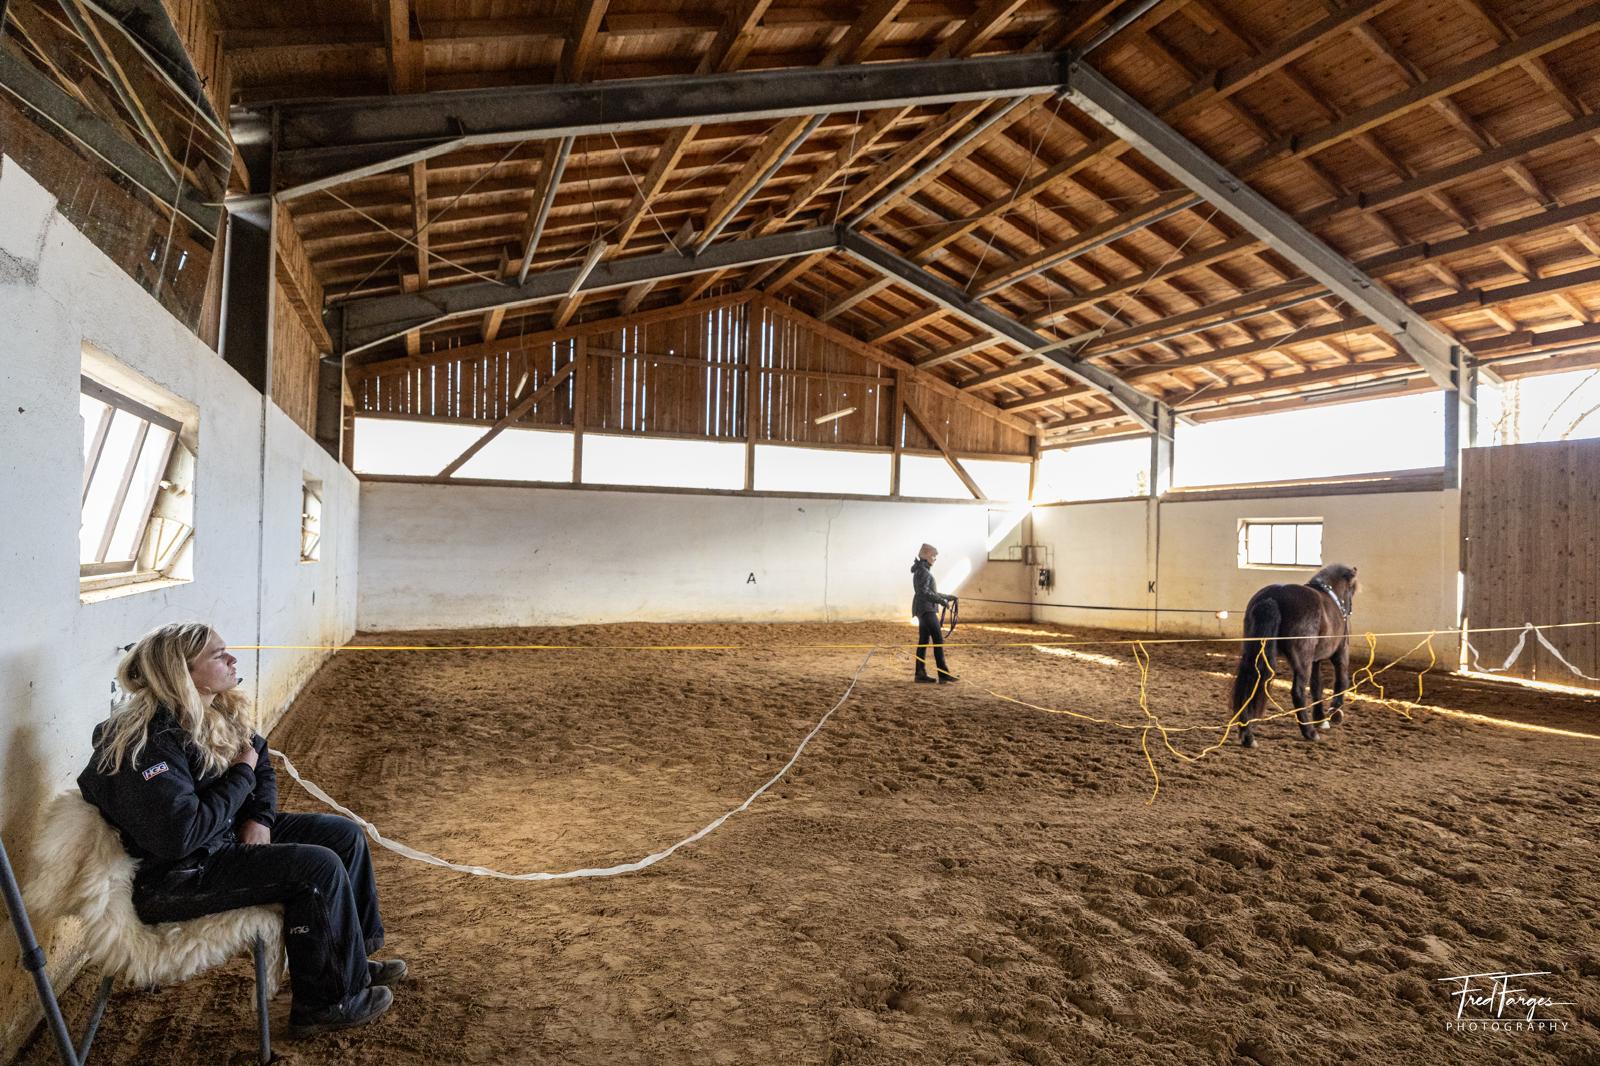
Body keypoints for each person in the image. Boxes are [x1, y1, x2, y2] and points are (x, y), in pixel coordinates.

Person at [77, 622, 403, 1039]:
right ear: (183, 672)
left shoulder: (214, 709)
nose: (232, 659)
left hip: (220, 838)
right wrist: (241, 775)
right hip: (175, 876)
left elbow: (258, 758)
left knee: (342, 836)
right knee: (316, 868)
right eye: (218, 654)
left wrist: (260, 820)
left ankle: (350, 962)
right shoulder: (146, 741)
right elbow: (182, 835)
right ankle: (327, 1002)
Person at [910, 543, 959, 684]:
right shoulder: (924, 572)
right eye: (933, 556)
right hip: (927, 610)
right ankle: (943, 674)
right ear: (926, 556)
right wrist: (941, 601)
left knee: (923, 641)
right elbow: (924, 593)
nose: (935, 559)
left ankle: (920, 673)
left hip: (922, 609)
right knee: (938, 640)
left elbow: (929, 592)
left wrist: (946, 597)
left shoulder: (921, 571)